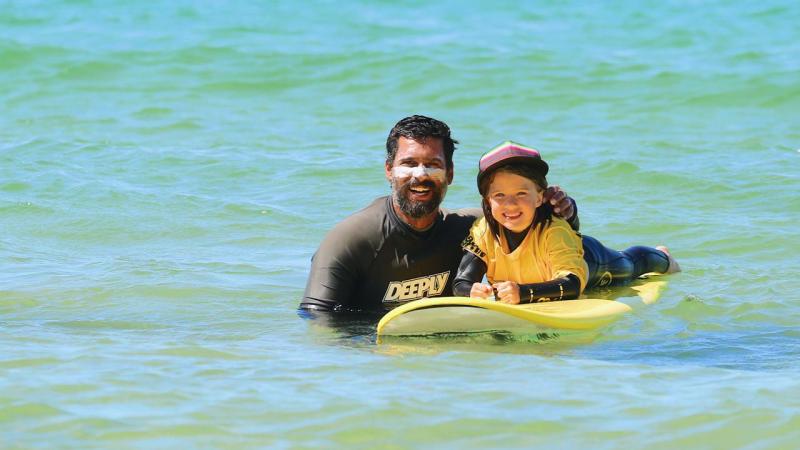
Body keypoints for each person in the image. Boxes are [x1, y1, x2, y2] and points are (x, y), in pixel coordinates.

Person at [299, 116, 579, 313]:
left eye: (433, 164)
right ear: (389, 170)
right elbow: (316, 318)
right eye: (409, 163)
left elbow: (548, 237)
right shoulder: (350, 240)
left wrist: (564, 209)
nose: (420, 175)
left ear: (450, 174)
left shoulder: (473, 228)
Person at [453, 141, 680, 304]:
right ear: (487, 200)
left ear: (539, 197)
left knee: (631, 264)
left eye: (521, 193)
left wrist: (522, 293)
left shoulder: (554, 230)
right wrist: (471, 291)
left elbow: (572, 284)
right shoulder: (483, 232)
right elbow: (461, 282)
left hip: (589, 261)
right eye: (499, 195)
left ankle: (664, 257)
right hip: (540, 280)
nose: (510, 204)